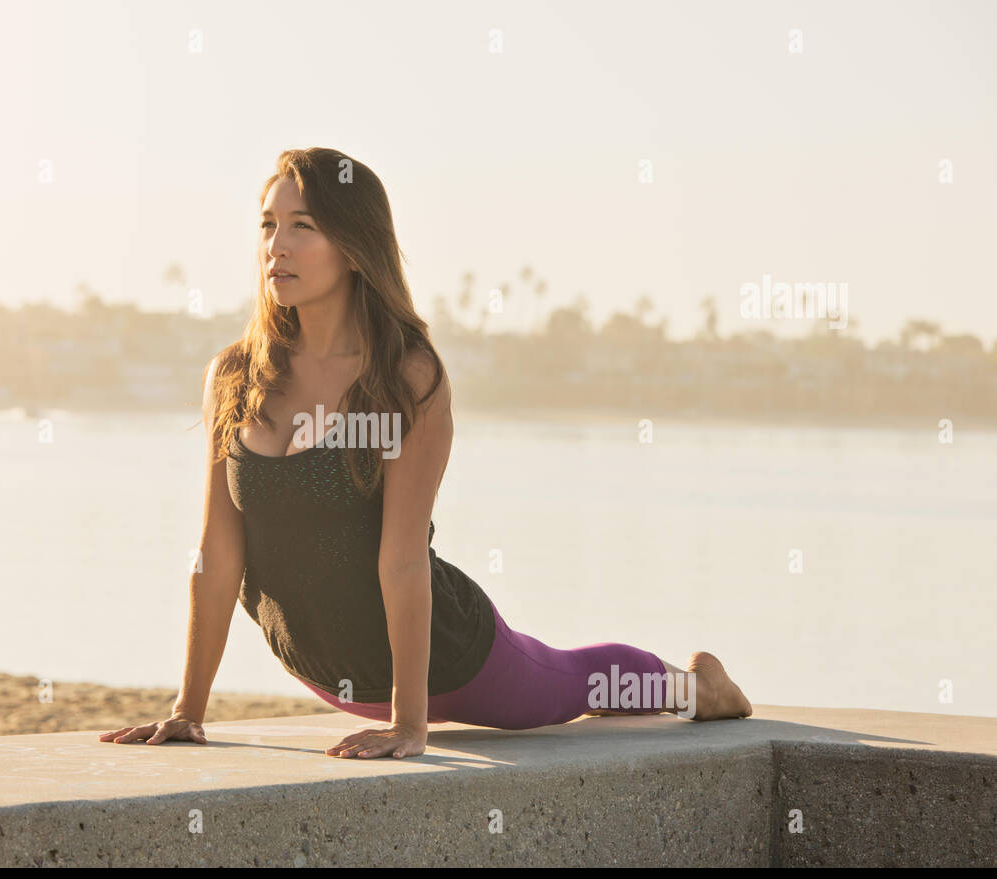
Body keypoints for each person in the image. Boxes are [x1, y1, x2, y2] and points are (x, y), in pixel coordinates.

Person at [99, 147, 751, 760]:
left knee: (567, 682)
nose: (278, 245)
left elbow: (404, 557)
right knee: (566, 681)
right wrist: (188, 709)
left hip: (447, 662)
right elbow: (218, 553)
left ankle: (699, 687)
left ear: (354, 246)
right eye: (269, 224)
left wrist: (409, 723)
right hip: (325, 668)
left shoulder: (406, 376)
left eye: (303, 226)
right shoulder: (234, 375)